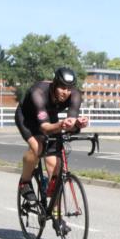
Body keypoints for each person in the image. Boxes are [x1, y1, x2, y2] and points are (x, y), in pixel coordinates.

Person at [15, 67, 89, 202]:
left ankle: (55, 214)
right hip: (28, 118)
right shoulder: (38, 92)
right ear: (54, 84)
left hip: (49, 116)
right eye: (62, 87)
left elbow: (71, 122)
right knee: (37, 147)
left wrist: (77, 123)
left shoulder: (75, 95)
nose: (66, 92)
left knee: (54, 163)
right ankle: (24, 182)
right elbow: (45, 128)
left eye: (69, 88)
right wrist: (61, 125)